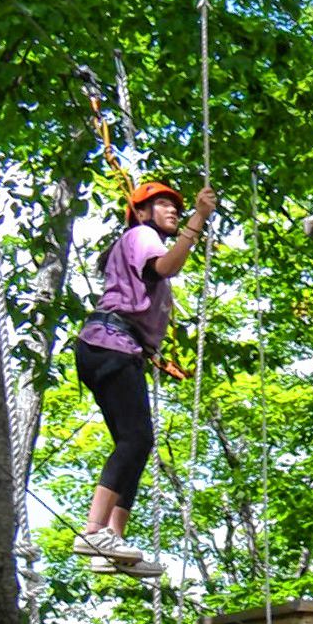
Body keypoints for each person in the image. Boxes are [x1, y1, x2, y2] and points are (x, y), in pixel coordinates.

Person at [73, 179, 217, 572]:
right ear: (140, 212)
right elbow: (167, 265)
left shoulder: (136, 243)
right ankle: (93, 530)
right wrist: (198, 219)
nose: (171, 209)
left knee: (137, 442)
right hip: (110, 345)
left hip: (114, 347)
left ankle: (112, 542)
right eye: (163, 204)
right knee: (136, 438)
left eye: (176, 205)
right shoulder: (140, 234)